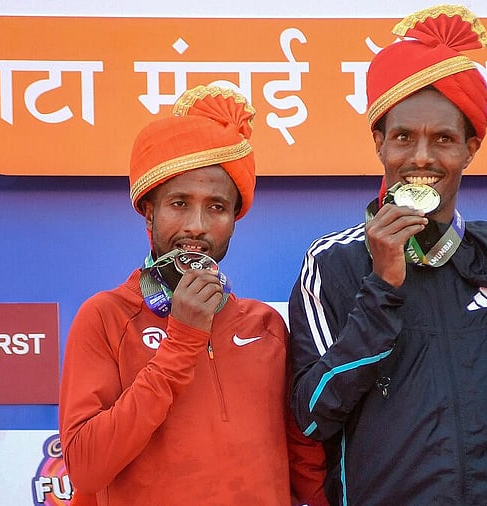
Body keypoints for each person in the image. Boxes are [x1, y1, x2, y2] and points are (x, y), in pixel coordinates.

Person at [286, 5, 487, 505]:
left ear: (470, 149)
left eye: (444, 139)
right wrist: (382, 288)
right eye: (404, 137)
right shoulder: (332, 263)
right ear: (379, 144)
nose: (423, 157)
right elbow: (313, 413)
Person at [58, 85, 328, 506]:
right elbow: (87, 467)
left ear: (235, 219)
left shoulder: (266, 326)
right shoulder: (106, 317)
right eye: (179, 203)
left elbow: (304, 462)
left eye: (217, 207)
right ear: (149, 211)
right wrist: (181, 341)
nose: (197, 226)